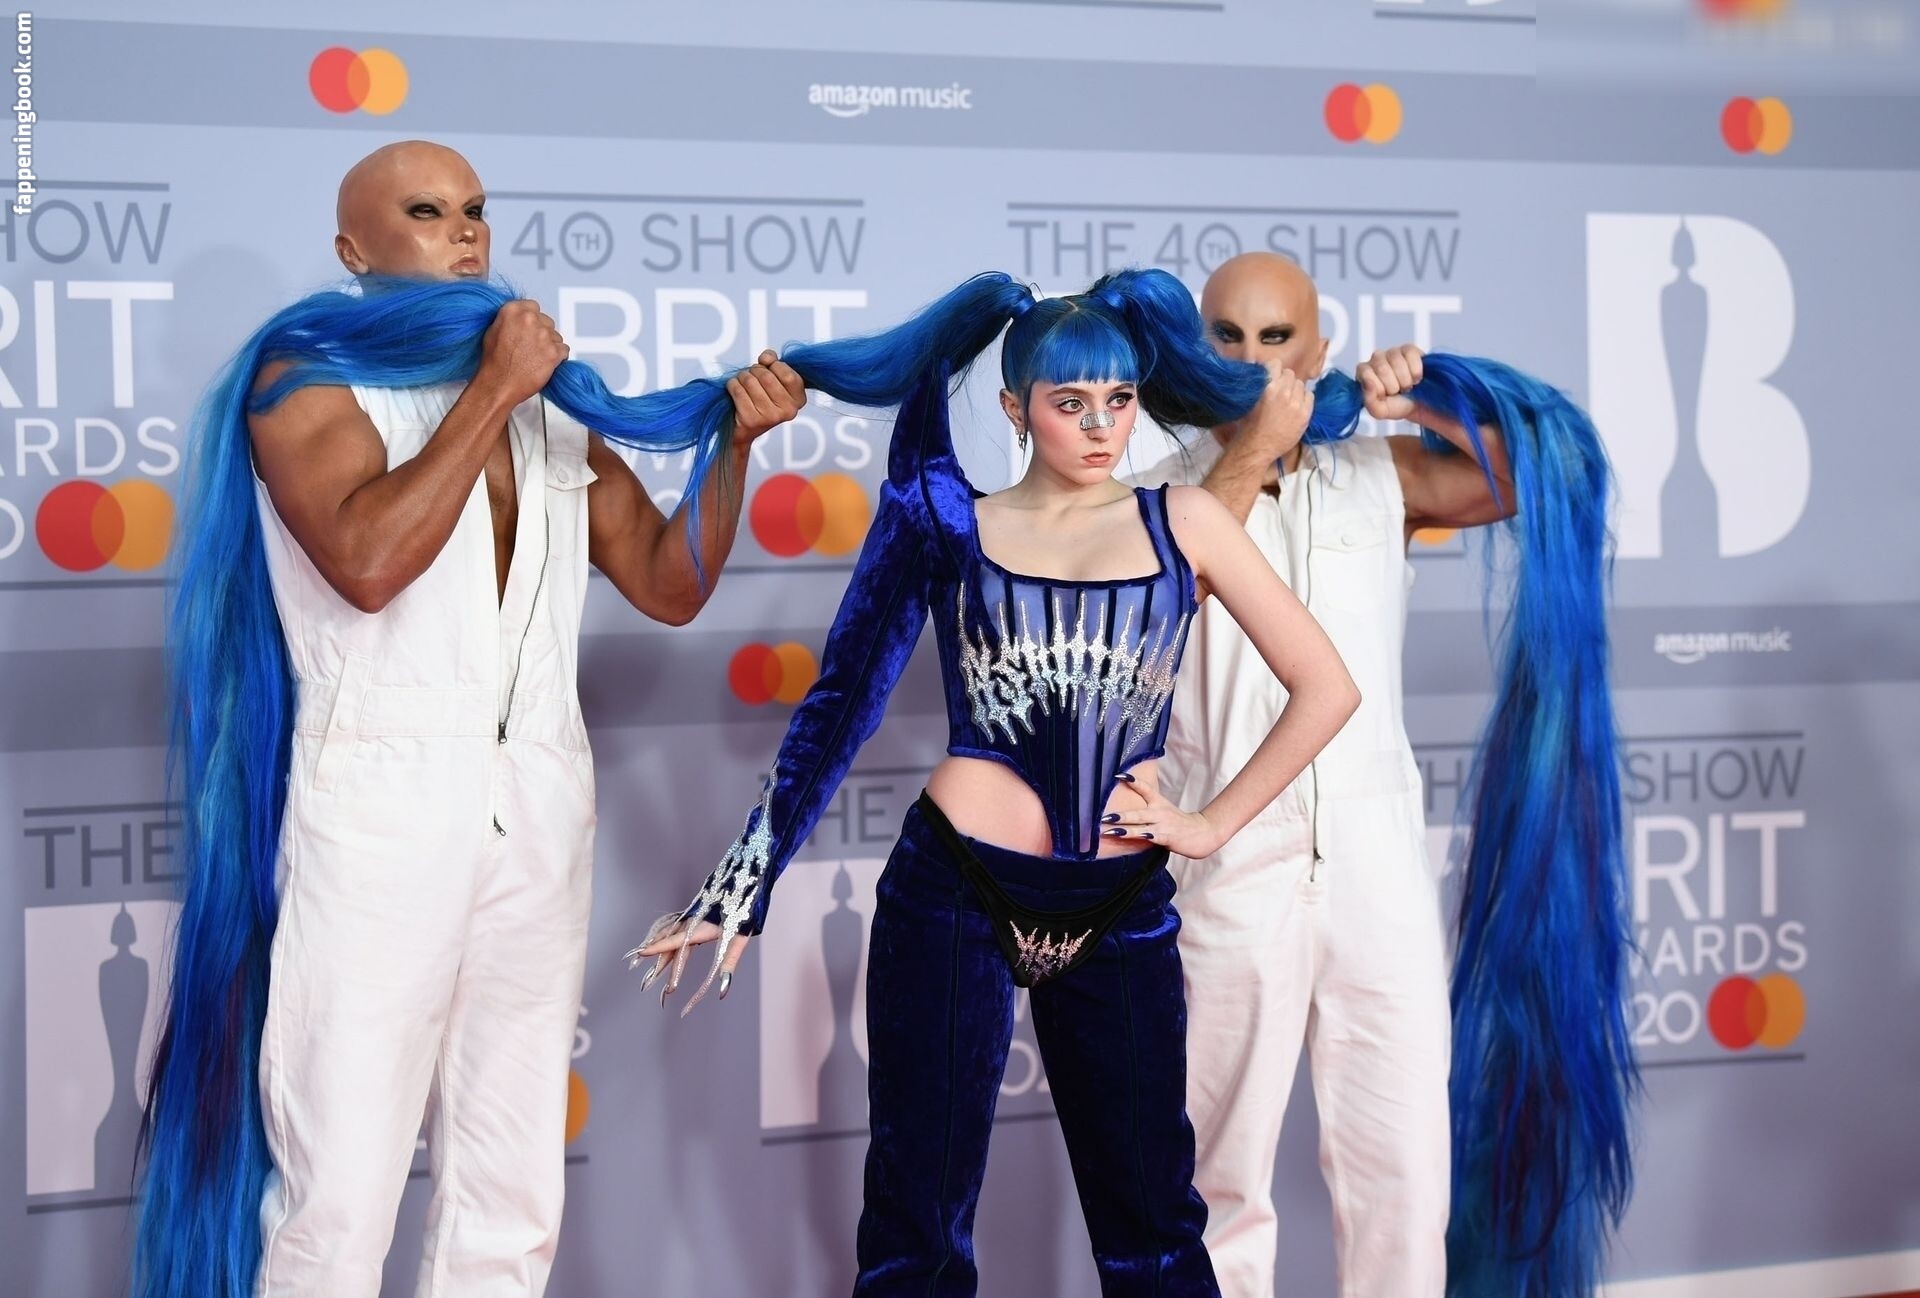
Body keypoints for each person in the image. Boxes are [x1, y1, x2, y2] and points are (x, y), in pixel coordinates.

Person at [133, 140, 806, 1298]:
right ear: (354, 248)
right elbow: (366, 563)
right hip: (378, 812)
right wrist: (493, 388)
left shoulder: (547, 401)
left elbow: (669, 582)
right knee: (339, 1194)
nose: (465, 231)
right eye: (427, 210)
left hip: (539, 810)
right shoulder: (305, 377)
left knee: (512, 1195)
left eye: (476, 210)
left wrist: (732, 449)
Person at [631, 268, 1361, 1298]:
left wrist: (1208, 823)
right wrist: (742, 881)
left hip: (1120, 902)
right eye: (1071, 402)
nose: (1102, 426)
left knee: (1155, 1228)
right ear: (1017, 409)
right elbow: (839, 706)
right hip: (955, 892)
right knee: (917, 1230)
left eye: (1119, 399)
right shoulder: (942, 519)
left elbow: (1328, 686)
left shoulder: (1187, 518)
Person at [1130, 251, 1635, 1298]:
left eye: (1278, 338)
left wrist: (1425, 400)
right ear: (1193, 347)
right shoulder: (1157, 495)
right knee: (1216, 1179)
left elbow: (1533, 476)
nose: (1254, 359)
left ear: (1318, 351)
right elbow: (1165, 600)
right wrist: (1252, 450)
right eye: (1229, 335)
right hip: (1225, 861)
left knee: (1401, 1171)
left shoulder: (1383, 475)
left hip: (1377, 865)